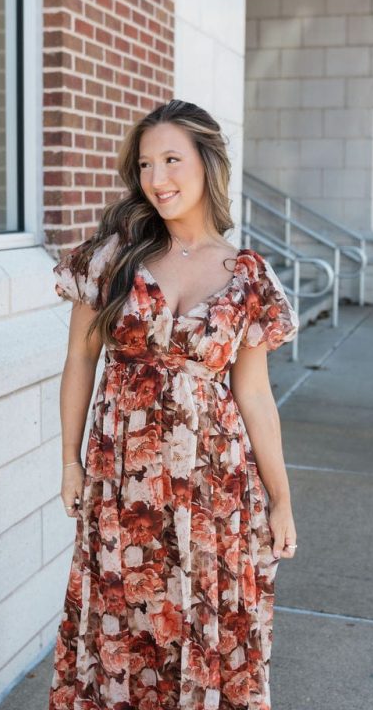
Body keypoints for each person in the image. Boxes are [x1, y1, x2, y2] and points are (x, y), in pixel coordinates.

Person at [49, 99, 299, 710]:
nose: (157, 180)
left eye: (171, 160)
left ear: (208, 163)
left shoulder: (247, 275)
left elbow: (256, 395)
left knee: (201, 624)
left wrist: (282, 498)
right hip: (122, 483)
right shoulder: (111, 258)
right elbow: (81, 360)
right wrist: (70, 460)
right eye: (144, 165)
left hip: (214, 488)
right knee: (124, 627)